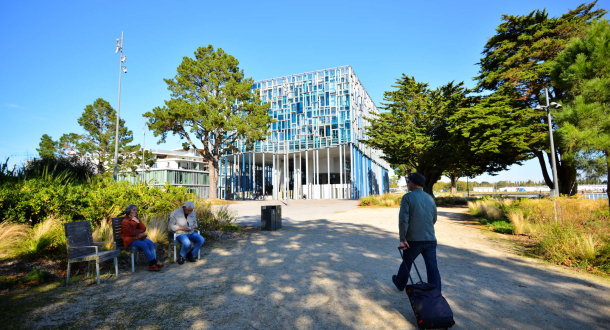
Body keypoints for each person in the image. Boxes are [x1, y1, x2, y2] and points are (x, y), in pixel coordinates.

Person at [392, 173, 442, 292]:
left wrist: (403, 238)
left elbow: (404, 220)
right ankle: (436, 292)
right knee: (432, 267)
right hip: (430, 239)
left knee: (407, 263)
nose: (407, 183)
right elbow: (434, 218)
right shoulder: (430, 198)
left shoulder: (407, 197)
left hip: (413, 240)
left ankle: (400, 283)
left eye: (408, 181)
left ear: (414, 183)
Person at [120, 204, 164, 271]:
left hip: (138, 238)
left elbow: (143, 229)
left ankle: (151, 265)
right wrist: (140, 231)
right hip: (130, 240)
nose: (136, 211)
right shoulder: (125, 222)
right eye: (134, 210)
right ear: (129, 211)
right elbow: (131, 233)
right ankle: (154, 262)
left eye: (136, 210)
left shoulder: (136, 219)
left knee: (150, 243)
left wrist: (138, 222)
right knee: (144, 245)